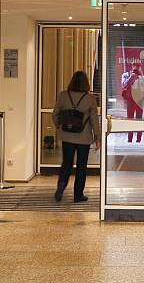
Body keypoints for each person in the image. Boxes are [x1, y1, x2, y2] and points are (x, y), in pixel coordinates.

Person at [52, 71, 101, 202]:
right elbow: (94, 120)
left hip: (67, 136)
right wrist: (97, 138)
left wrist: (58, 126)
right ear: (86, 83)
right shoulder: (90, 99)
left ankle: (61, 185)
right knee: (81, 166)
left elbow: (55, 113)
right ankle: (78, 194)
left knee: (66, 163)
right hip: (83, 138)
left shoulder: (63, 95)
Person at [121, 63, 144, 143]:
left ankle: (139, 140)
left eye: (138, 67)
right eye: (135, 67)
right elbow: (124, 85)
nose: (136, 69)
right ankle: (129, 140)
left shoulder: (142, 76)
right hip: (130, 99)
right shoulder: (126, 75)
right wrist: (131, 77)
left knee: (139, 120)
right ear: (132, 67)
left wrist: (141, 77)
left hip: (139, 100)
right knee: (130, 119)